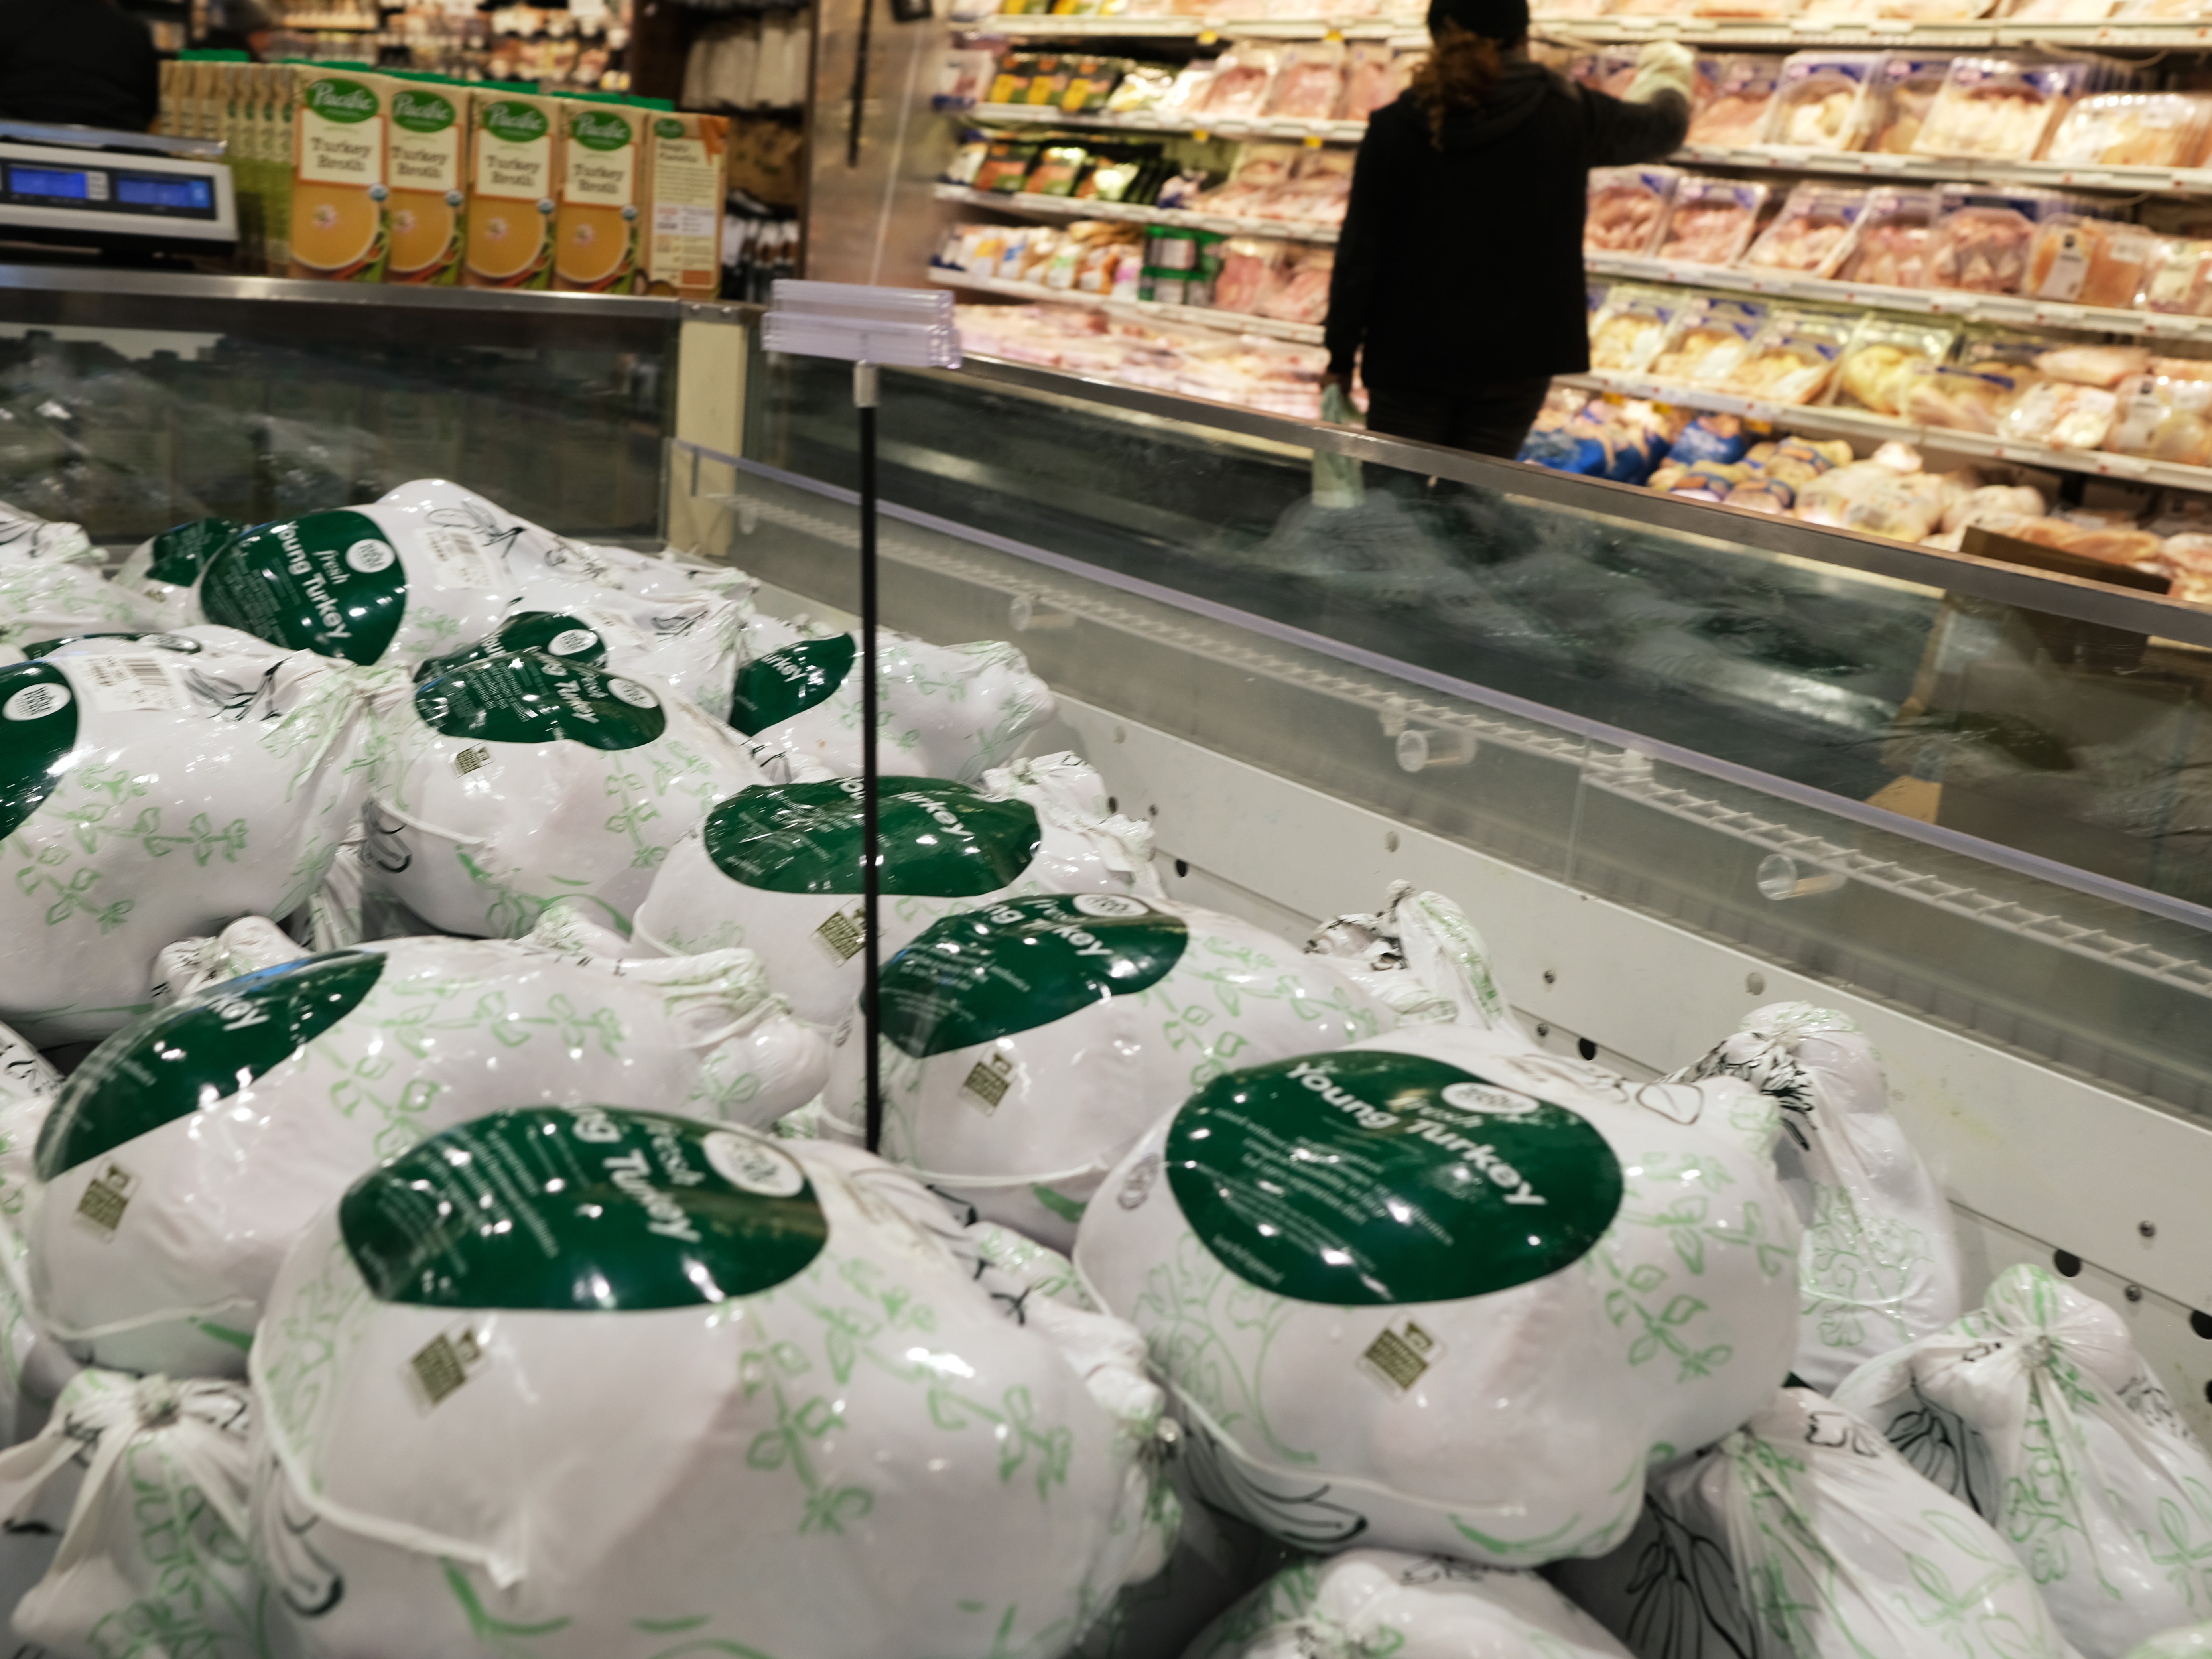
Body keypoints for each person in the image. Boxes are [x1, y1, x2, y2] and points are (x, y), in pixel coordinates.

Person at [1322, 0, 1693, 459]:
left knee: (1395, 505)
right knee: (1475, 510)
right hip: (1519, 358)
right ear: (1522, 40)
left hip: (1411, 355)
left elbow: (1359, 252)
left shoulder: (1395, 126)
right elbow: (1664, 128)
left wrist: (1340, 356)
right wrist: (1670, 72)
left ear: (1436, 39)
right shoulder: (1567, 111)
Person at [0, 0, 161, 132]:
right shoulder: (133, 31)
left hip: (16, 140)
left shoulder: (9, 15)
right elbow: (150, 105)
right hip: (114, 145)